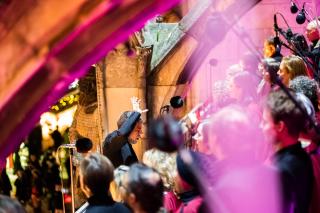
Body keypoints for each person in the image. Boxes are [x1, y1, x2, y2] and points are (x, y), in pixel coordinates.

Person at [262, 89, 314, 213]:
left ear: (280, 126)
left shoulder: (280, 171)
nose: (261, 126)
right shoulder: (302, 156)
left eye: (264, 122)